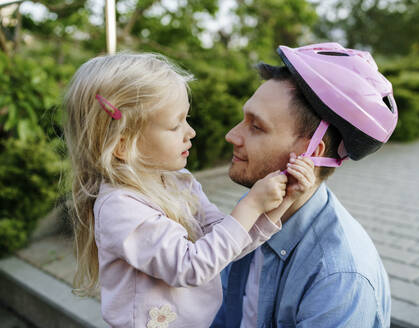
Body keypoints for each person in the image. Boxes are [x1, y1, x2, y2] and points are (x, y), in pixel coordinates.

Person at [62, 52, 316, 328]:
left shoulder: (178, 180)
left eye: (187, 118)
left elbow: (225, 243)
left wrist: (283, 202)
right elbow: (191, 266)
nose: (191, 132)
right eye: (175, 125)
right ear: (124, 145)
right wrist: (252, 204)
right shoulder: (120, 207)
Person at [212, 43, 398, 328]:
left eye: (256, 126)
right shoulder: (252, 207)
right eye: (243, 119)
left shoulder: (338, 279)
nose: (231, 136)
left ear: (311, 152)